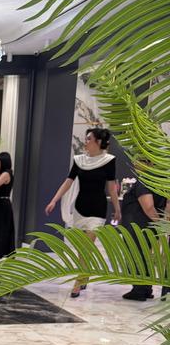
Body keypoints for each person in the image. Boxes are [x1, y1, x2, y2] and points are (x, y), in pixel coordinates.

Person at [45, 126, 121, 298]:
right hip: (80, 208)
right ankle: (85, 275)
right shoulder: (79, 160)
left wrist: (117, 209)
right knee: (81, 247)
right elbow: (68, 182)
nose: (85, 142)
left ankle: (78, 282)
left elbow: (111, 187)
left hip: (98, 210)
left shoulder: (109, 160)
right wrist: (54, 200)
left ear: (98, 142)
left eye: (88, 139)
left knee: (87, 246)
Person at [119, 177, 166, 301]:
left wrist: (160, 224)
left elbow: (148, 207)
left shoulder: (144, 182)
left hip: (137, 225)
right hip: (148, 226)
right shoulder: (161, 182)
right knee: (144, 256)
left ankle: (139, 290)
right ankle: (145, 288)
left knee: (135, 256)